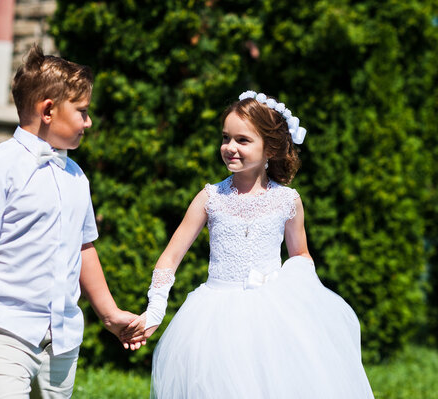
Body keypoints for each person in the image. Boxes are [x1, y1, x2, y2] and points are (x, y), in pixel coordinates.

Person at [125, 91, 375, 398]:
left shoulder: (288, 201)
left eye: (242, 140)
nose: (230, 147)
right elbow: (170, 257)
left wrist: (298, 293)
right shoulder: (210, 198)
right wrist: (155, 310)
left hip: (271, 318)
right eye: (226, 138)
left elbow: (300, 254)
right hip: (214, 318)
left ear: (269, 148)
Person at [0, 45, 140, 398]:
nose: (88, 122)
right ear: (48, 110)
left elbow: (84, 247)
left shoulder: (77, 176)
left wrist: (109, 315)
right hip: (4, 330)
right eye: (82, 112)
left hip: (61, 339)